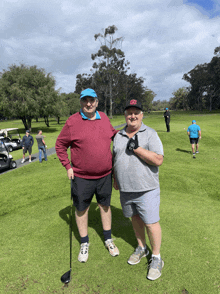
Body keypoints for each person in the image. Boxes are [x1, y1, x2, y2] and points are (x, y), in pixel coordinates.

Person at [55, 88, 119, 263]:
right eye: (85, 101)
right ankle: (84, 242)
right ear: (81, 102)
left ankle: (108, 239)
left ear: (97, 102)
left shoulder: (104, 117)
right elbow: (60, 145)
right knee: (81, 209)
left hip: (105, 174)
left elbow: (113, 134)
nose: (89, 104)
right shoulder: (72, 122)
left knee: (105, 206)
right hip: (81, 177)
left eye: (92, 100)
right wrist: (67, 166)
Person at [113, 99, 164, 281]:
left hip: (146, 189)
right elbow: (115, 159)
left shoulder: (150, 133)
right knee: (135, 219)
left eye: (136, 112)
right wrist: (115, 178)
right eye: (129, 112)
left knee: (150, 223)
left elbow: (158, 159)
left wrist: (138, 149)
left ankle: (156, 257)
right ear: (125, 115)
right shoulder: (118, 136)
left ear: (142, 115)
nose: (132, 116)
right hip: (126, 189)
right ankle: (142, 248)